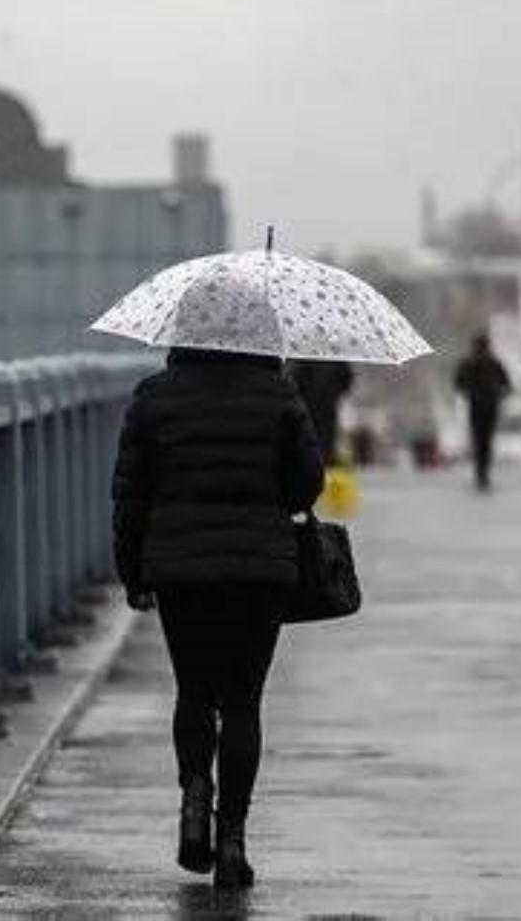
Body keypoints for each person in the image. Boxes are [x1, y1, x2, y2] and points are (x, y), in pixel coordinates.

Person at [111, 347, 324, 889]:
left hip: (181, 570)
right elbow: (308, 484)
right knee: (243, 700)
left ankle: (193, 797)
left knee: (194, 692)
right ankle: (232, 841)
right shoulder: (279, 394)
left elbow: (130, 495)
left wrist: (133, 573)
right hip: (260, 570)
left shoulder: (154, 396)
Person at [453, 333, 511, 490]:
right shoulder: (488, 363)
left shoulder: (477, 363)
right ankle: (482, 473)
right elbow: (506, 384)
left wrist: (469, 392)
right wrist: (497, 392)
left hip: (481, 406)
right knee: (484, 441)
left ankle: (481, 472)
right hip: (485, 406)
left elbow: (458, 384)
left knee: (481, 440)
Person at [288, 359, 354, 463]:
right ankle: (323, 468)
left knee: (308, 444)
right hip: (327, 410)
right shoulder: (336, 359)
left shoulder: (304, 358)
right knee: (325, 444)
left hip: (309, 410)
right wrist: (335, 393)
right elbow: (347, 379)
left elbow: (296, 381)